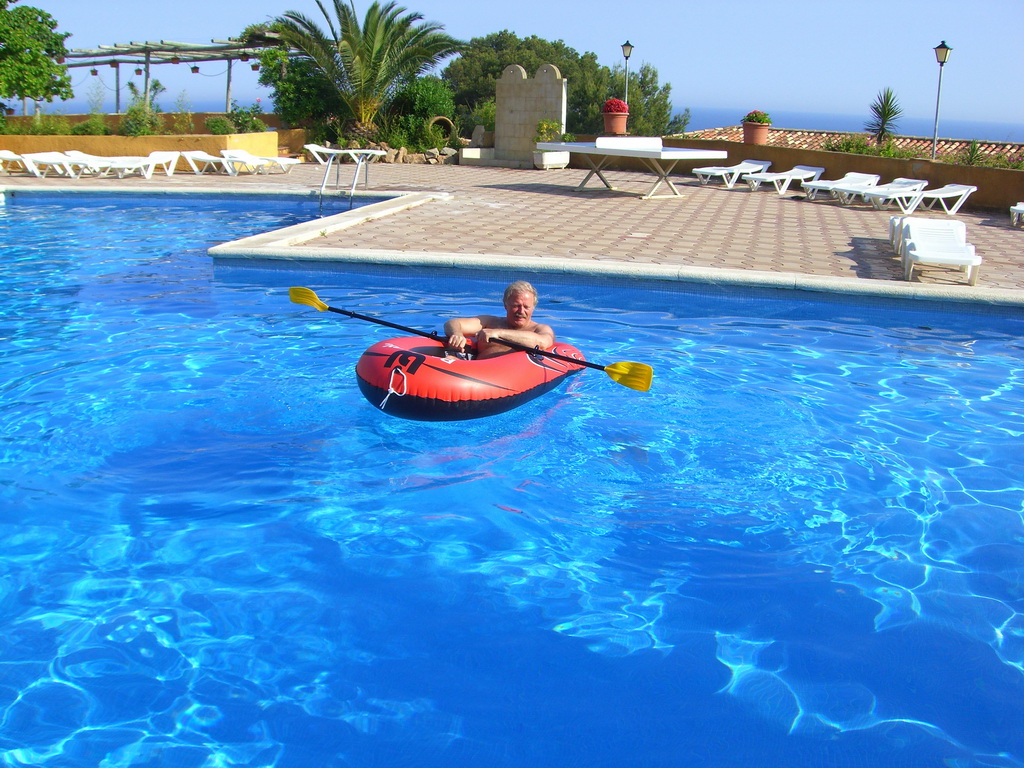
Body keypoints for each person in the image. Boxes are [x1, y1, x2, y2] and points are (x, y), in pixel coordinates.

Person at [443, 281, 555, 359]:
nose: (521, 311)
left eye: (526, 307)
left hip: (510, 377)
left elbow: (542, 342)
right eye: (516, 306)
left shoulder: (539, 329)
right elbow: (452, 323)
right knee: (449, 359)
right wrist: (457, 334)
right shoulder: (489, 322)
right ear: (506, 305)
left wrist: (498, 333)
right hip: (476, 371)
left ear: (533, 308)